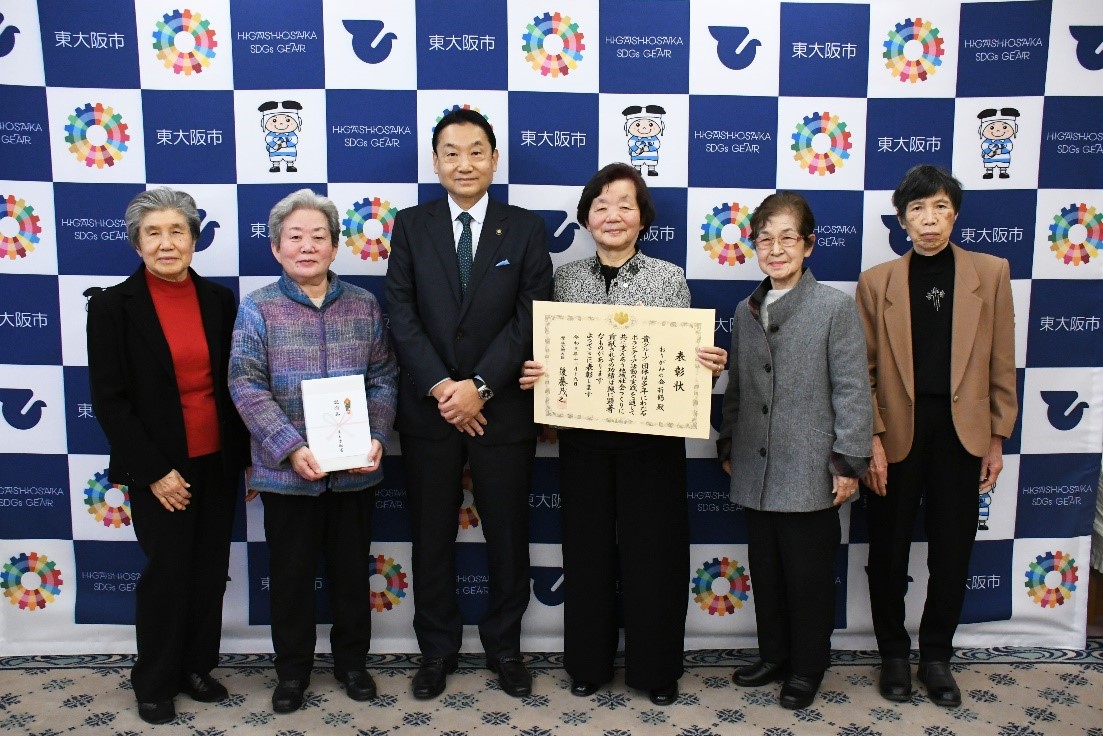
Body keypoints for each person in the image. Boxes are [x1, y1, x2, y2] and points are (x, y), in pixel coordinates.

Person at [519, 163, 729, 705]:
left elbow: (681, 364)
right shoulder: (564, 280)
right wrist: (538, 375)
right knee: (585, 553)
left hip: (653, 443)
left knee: (654, 555)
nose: (612, 216)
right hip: (582, 441)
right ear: (587, 218)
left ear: (642, 218)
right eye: (601, 206)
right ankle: (587, 664)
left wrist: (706, 367)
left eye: (625, 206)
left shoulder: (668, 277)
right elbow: (552, 354)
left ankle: (656, 670)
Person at [385, 108, 553, 700]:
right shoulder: (411, 225)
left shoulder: (525, 228)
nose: (464, 163)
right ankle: (436, 650)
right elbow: (401, 313)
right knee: (431, 535)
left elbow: (530, 314)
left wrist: (478, 386)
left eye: (476, 151)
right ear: (435, 162)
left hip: (500, 410)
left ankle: (505, 647)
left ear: (494, 159)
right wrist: (442, 387)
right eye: (451, 152)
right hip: (429, 411)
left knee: (507, 533)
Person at [229, 189, 397, 714]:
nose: (307, 246)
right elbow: (244, 383)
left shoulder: (364, 304)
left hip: (354, 470)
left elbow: (384, 376)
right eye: (295, 237)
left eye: (318, 237)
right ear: (276, 248)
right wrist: (289, 447)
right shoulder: (258, 307)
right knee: (291, 577)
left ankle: (352, 665)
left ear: (335, 246)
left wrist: (377, 434)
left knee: (351, 573)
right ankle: (292, 672)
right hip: (287, 474)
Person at [86, 188, 249, 726]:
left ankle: (196, 668)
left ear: (194, 239)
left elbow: (234, 386)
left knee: (210, 573)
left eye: (177, 231)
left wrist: (246, 457)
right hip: (159, 468)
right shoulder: (112, 307)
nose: (166, 243)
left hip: (217, 462)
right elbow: (110, 402)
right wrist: (156, 472)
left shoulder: (219, 300)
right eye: (152, 233)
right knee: (167, 575)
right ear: (137, 243)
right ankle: (155, 681)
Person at [856, 165, 1016, 708]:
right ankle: (893, 655)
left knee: (953, 550)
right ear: (902, 221)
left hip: (962, 433)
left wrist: (996, 438)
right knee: (888, 549)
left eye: (940, 207)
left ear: (955, 214)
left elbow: (1001, 362)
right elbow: (863, 371)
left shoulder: (990, 273)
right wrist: (873, 438)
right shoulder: (877, 282)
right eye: (918, 210)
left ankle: (937, 657)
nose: (929, 220)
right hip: (896, 431)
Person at [716, 191, 871, 710]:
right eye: (765, 239)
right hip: (755, 467)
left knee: (807, 577)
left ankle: (807, 667)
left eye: (788, 238)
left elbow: (853, 389)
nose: (776, 249)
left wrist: (848, 463)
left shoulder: (834, 307)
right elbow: (739, 387)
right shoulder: (745, 310)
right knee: (767, 571)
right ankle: (774, 656)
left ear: (808, 245)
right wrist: (729, 441)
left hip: (811, 468)